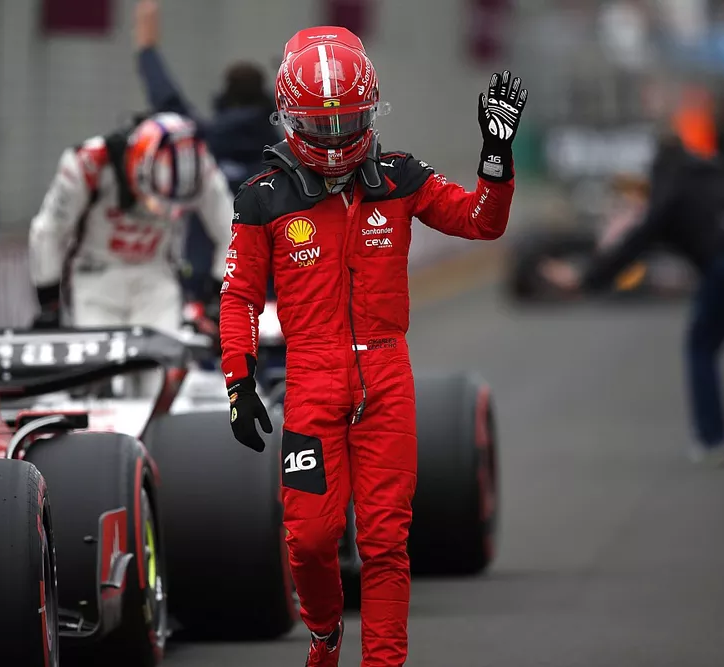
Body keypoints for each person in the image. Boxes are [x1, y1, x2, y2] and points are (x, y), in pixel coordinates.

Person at [219, 27, 527, 667]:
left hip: (387, 377)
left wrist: (495, 156)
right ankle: (324, 634)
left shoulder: (401, 178)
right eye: (320, 125)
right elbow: (240, 296)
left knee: (386, 542)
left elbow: (482, 222)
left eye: (347, 122)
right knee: (310, 539)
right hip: (311, 381)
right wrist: (239, 383)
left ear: (371, 112)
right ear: (288, 117)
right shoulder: (262, 198)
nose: (335, 140)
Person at [548, 104, 724, 467]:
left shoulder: (670, 186)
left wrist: (585, 278)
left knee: (702, 347)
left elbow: (637, 242)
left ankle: (712, 441)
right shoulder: (717, 171)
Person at [28, 111, 234, 392]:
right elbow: (49, 231)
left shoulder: (200, 167)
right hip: (96, 276)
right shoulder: (88, 164)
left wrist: (220, 297)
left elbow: (233, 232)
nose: (163, 211)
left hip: (156, 277)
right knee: (96, 380)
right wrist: (49, 304)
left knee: (163, 381)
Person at [133, 0, 280, 296]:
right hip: (270, 282)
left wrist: (147, 50)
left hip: (205, 277)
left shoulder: (201, 140)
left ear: (225, 94)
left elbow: (167, 100)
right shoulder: (286, 154)